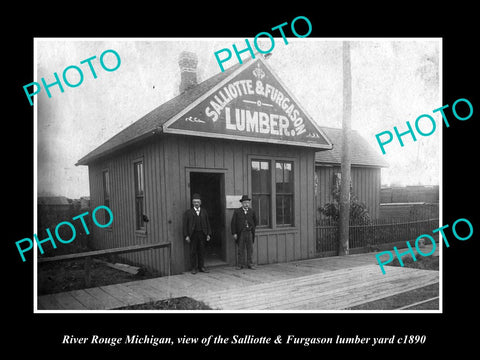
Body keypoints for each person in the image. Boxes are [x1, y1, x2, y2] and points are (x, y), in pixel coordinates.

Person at [183, 193, 211, 274]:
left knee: (201, 251)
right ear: (192, 203)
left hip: (202, 234)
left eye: (198, 202)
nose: (196, 203)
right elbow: (185, 225)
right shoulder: (188, 212)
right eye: (195, 202)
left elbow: (207, 223)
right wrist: (186, 236)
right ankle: (194, 268)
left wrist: (208, 234)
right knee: (193, 251)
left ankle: (201, 267)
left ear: (200, 202)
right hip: (193, 235)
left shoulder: (204, 212)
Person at [231, 195, 257, 270]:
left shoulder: (252, 211)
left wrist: (251, 228)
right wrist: (234, 233)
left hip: (249, 232)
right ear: (242, 203)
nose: (246, 204)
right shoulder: (237, 211)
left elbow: (255, 222)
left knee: (250, 249)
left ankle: (250, 264)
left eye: (248, 203)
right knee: (240, 249)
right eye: (245, 203)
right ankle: (240, 264)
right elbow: (233, 223)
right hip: (241, 233)